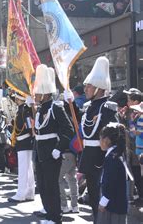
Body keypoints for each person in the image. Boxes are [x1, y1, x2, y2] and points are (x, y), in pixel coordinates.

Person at [33, 65, 74, 224]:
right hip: (40, 152)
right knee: (42, 185)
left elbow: (68, 129)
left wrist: (59, 148)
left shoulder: (55, 107)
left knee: (52, 186)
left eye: (37, 92)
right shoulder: (40, 109)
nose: (35, 95)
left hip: (51, 152)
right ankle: (49, 214)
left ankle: (56, 217)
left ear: (45, 93)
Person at [79, 57, 118, 221]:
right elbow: (86, 138)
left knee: (103, 198)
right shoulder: (89, 108)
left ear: (100, 88)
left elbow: (115, 137)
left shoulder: (107, 108)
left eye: (89, 86)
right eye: (86, 86)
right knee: (94, 200)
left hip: (102, 159)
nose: (86, 89)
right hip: (89, 157)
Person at [97, 123, 130, 224]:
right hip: (117, 201)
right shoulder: (116, 154)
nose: (99, 142)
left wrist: (103, 201)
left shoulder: (113, 157)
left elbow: (110, 181)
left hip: (112, 203)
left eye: (100, 139)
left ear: (107, 140)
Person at [8, 93, 35, 203]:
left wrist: (31, 136)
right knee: (28, 168)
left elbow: (29, 125)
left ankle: (21, 194)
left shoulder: (24, 109)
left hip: (24, 141)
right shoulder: (23, 109)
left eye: (16, 97)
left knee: (24, 169)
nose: (15, 99)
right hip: (24, 141)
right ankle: (29, 192)